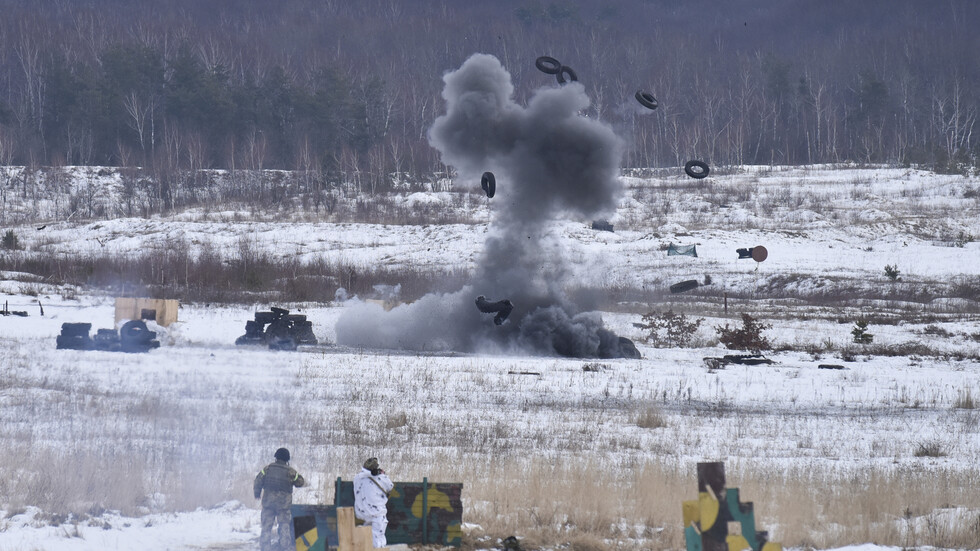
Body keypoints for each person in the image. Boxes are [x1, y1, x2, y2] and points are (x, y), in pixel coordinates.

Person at [254, 447, 305, 551]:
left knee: (266, 527)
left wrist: (257, 493)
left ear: (276, 457)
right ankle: (284, 548)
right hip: (283, 506)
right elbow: (300, 482)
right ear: (287, 459)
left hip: (268, 504)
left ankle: (265, 548)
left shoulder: (267, 469)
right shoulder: (290, 471)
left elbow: (258, 481)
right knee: (284, 527)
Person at [353, 457, 394, 548]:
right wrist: (382, 474)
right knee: (379, 541)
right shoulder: (380, 478)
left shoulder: (357, 478)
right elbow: (390, 486)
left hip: (362, 515)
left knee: (366, 541)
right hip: (377, 514)